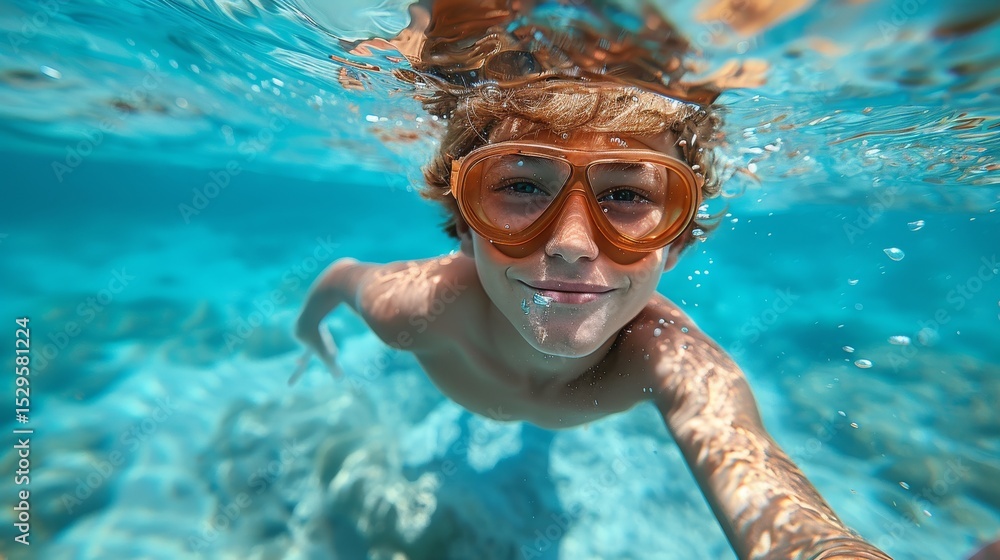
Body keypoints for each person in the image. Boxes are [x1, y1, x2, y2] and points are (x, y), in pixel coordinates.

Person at [293, 1, 892, 558]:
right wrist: (307, 331)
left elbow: (771, 495)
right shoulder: (415, 306)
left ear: (676, 243)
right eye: (521, 186)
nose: (573, 244)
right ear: (465, 225)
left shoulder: (671, 362)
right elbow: (341, 277)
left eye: (626, 196)